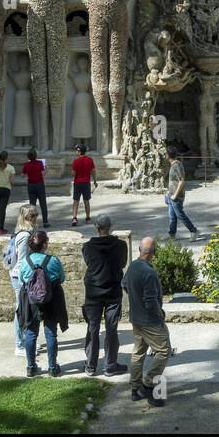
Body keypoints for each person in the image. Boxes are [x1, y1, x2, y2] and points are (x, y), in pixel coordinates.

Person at [123, 236, 170, 407]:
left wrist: (135, 300)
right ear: (153, 254)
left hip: (136, 319)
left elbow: (124, 284)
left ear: (140, 251)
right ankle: (149, 383)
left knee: (138, 352)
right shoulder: (149, 273)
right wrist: (160, 314)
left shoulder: (133, 266)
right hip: (151, 321)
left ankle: (135, 389)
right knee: (164, 351)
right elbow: (151, 301)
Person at [81, 214, 128, 377]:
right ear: (111, 226)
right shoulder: (121, 245)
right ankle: (110, 365)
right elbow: (122, 263)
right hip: (113, 291)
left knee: (93, 327)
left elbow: (89, 263)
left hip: (93, 291)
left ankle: (91, 365)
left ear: (96, 227)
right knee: (111, 328)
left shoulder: (87, 247)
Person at [18, 230, 68, 378]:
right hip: (51, 299)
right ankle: (52, 367)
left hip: (31, 301)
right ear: (44, 244)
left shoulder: (26, 261)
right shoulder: (53, 260)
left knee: (31, 333)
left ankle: (31, 367)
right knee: (51, 332)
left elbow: (22, 279)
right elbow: (62, 278)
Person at [4, 205, 39, 357]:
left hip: (20, 276)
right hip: (20, 277)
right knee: (20, 310)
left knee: (24, 309)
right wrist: (28, 279)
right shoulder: (24, 236)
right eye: (33, 216)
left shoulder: (23, 232)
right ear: (26, 218)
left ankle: (25, 339)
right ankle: (19, 345)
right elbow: (23, 261)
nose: (36, 219)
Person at [164, 146, 198, 242]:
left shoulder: (176, 165)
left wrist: (175, 195)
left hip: (176, 196)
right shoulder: (174, 164)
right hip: (171, 195)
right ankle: (172, 235)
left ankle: (193, 231)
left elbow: (182, 181)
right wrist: (169, 192)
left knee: (180, 215)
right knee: (172, 216)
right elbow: (173, 181)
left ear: (168, 155)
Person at [22, 148, 49, 228]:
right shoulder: (40, 163)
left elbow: (23, 175)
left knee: (32, 205)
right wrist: (46, 168)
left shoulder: (26, 165)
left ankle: (32, 222)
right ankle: (45, 222)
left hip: (31, 185)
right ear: (36, 156)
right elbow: (43, 174)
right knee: (43, 204)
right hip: (40, 184)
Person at [70, 144, 97, 227]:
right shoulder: (90, 160)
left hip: (78, 183)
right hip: (86, 183)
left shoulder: (76, 161)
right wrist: (95, 181)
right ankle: (88, 217)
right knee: (86, 201)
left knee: (76, 201)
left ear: (79, 151)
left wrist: (71, 171)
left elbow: (73, 173)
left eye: (77, 150)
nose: (76, 152)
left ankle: (74, 218)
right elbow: (93, 171)